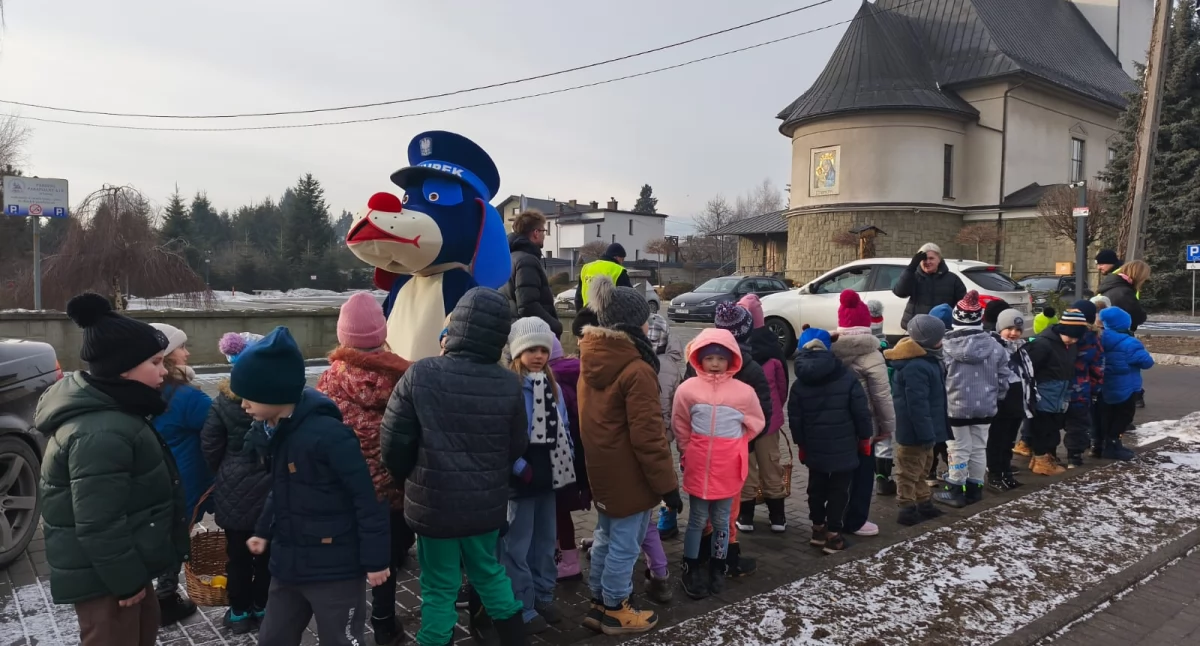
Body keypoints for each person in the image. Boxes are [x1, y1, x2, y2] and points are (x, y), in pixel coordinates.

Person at [380, 288, 530, 646]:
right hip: (483, 506)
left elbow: (394, 442)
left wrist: (408, 478)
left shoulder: (422, 374)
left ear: (456, 326)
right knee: (491, 576)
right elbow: (516, 446)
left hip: (434, 508)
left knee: (437, 587)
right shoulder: (509, 383)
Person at [37, 293, 188, 646]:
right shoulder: (102, 430)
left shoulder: (120, 413)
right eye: (155, 362)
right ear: (124, 368)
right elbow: (98, 521)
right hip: (108, 580)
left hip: (120, 571)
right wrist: (125, 579)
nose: (164, 371)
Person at [234, 326, 392, 646]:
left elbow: (366, 497)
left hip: (335, 568)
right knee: (274, 637)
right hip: (288, 565)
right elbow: (281, 489)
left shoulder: (329, 435)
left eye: (248, 398)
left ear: (275, 393)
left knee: (340, 639)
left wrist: (376, 559)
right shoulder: (275, 431)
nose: (243, 406)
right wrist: (263, 532)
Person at [576, 274, 680, 635]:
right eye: (645, 318)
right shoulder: (637, 369)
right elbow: (648, 437)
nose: (649, 322)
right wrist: (668, 487)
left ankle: (599, 600)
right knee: (625, 544)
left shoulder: (590, 357)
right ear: (632, 323)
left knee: (605, 537)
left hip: (602, 470)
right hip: (630, 474)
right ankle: (616, 606)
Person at [315, 292, 414, 643]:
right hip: (393, 485)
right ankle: (385, 622)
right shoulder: (406, 376)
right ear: (381, 332)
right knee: (387, 552)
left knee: (350, 555)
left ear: (343, 336)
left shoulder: (329, 379)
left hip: (347, 484)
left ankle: (341, 621)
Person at [673, 328, 765, 598]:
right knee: (697, 519)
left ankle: (718, 565)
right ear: (698, 359)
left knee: (723, 521)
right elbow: (680, 424)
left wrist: (735, 445)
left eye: (721, 358)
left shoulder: (743, 393)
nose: (715, 363)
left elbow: (756, 423)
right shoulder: (687, 389)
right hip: (698, 467)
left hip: (728, 469)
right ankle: (690, 566)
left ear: (732, 360)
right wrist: (687, 450)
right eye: (709, 357)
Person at [502, 317, 576, 634]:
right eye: (530, 349)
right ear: (518, 352)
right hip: (521, 477)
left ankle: (544, 594)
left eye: (542, 350)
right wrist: (521, 468)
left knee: (545, 541)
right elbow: (501, 438)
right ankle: (523, 604)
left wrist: (567, 459)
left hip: (549, 473)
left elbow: (565, 427)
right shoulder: (510, 389)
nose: (537, 356)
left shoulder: (552, 386)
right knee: (516, 547)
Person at [201, 331, 272, 634]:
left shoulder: (222, 402)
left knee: (237, 557)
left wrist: (226, 469)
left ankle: (240, 613)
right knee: (268, 557)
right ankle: (264, 608)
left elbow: (209, 444)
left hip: (233, 489)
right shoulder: (275, 398)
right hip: (269, 489)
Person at [148, 322, 212, 625]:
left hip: (153, 480)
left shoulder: (146, 391)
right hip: (183, 482)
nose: (187, 353)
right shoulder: (186, 397)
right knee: (175, 540)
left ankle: (152, 593)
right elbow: (217, 427)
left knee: (159, 534)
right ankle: (166, 599)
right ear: (168, 356)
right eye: (182, 348)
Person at [789, 327, 873, 553]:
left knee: (815, 487)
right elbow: (861, 412)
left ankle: (817, 529)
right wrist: (865, 438)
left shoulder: (798, 384)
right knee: (839, 490)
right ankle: (834, 535)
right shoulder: (846, 377)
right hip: (844, 445)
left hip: (814, 446)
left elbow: (795, 419)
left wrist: (801, 444)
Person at [933, 292, 1012, 508]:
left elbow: (941, 377)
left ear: (955, 319)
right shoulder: (995, 346)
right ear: (979, 319)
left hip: (955, 407)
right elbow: (1004, 377)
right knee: (978, 447)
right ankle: (975, 488)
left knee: (958, 448)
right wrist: (998, 397)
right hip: (985, 406)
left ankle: (956, 487)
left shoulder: (946, 348)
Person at [831, 290, 895, 536]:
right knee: (862, 475)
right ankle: (855, 520)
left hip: (836, 426)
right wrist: (887, 428)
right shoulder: (872, 355)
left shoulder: (831, 351)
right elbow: (882, 396)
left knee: (838, 475)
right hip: (864, 427)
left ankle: (833, 517)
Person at [884, 315, 949, 527]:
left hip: (927, 429)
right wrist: (926, 433)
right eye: (940, 337)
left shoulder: (929, 360)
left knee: (922, 469)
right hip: (915, 432)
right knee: (908, 471)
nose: (943, 340)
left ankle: (923, 502)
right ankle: (907, 508)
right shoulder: (916, 366)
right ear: (928, 341)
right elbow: (917, 405)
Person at [737, 294, 790, 533]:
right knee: (771, 467)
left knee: (746, 469)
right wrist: (775, 411)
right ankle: (777, 517)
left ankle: (746, 517)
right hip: (769, 422)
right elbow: (782, 387)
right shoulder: (773, 349)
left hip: (742, 424)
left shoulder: (737, 351)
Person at [1023, 309, 1088, 476]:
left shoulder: (1069, 346)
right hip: (1043, 393)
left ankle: (1042, 458)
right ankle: (1041, 460)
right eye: (1071, 336)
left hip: (1059, 394)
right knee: (1043, 429)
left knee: (1052, 428)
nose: (1073, 341)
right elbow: (1029, 369)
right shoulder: (1043, 344)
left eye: (1076, 338)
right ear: (1062, 330)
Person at [547, 336, 590, 583]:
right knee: (559, 512)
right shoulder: (577, 372)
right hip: (579, 457)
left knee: (557, 512)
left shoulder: (555, 383)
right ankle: (564, 558)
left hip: (562, 458)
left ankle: (568, 562)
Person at [985, 310, 1036, 491]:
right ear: (1000, 328)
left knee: (1009, 441)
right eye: (1009, 328)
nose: (1014, 333)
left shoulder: (1020, 349)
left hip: (1016, 403)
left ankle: (1006, 471)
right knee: (996, 441)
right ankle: (994, 474)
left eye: (1018, 329)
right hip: (1000, 404)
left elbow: (1027, 374)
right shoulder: (993, 349)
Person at [1098, 307, 1155, 461]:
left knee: (1107, 416)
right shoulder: (1130, 343)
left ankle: (1103, 444)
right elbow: (1147, 362)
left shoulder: (1100, 339)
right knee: (1123, 417)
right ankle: (1113, 445)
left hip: (1105, 386)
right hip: (1127, 388)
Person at [646, 312, 684, 542]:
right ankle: (666, 518)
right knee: (665, 474)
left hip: (659, 431)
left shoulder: (664, 365)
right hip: (662, 432)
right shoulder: (671, 364)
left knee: (661, 476)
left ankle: (665, 518)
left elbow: (675, 402)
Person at [501, 210, 563, 337]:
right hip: (531, 336)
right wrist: (555, 326)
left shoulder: (509, 258)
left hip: (514, 331)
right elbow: (528, 306)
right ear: (536, 233)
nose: (544, 235)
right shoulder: (526, 261)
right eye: (543, 231)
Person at [1063, 300, 1104, 469]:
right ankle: (1074, 456)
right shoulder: (1093, 340)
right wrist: (1095, 388)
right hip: (1081, 389)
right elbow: (1098, 367)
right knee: (1078, 424)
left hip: (1057, 387)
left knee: (1050, 423)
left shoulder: (1061, 335)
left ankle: (1047, 454)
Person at [892, 242, 968, 329]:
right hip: (917, 327)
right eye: (924, 259)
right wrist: (911, 268)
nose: (927, 262)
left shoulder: (953, 279)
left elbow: (962, 304)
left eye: (931, 258)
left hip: (943, 328)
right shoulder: (913, 276)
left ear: (939, 259)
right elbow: (899, 292)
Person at [573, 242, 633, 311]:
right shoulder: (619, 270)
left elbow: (578, 297)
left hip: (586, 314)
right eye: (622, 259)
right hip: (608, 316)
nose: (622, 262)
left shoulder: (586, 267)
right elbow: (628, 298)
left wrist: (580, 315)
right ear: (616, 257)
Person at [1098, 259, 1149, 333]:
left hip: (1104, 331)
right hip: (1116, 333)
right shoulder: (1125, 292)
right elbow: (1137, 317)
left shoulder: (1111, 284)